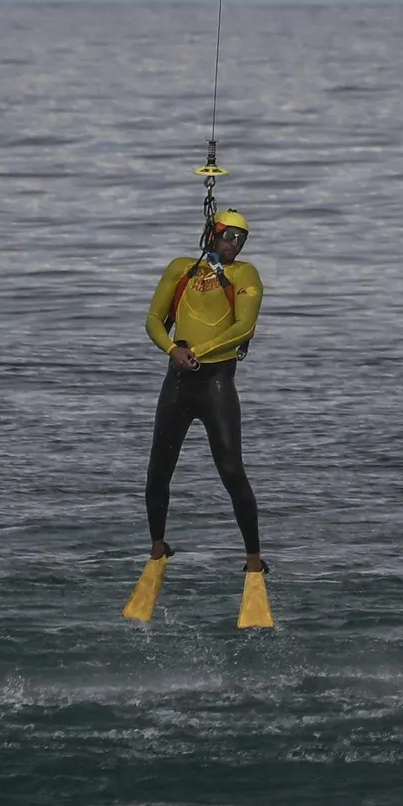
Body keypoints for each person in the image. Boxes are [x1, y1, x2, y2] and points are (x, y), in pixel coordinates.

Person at [144, 204, 264, 580]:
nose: (235, 245)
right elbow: (152, 319)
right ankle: (158, 548)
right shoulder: (182, 268)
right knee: (158, 471)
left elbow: (244, 327)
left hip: (216, 383)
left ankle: (254, 559)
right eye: (230, 236)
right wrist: (172, 350)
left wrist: (197, 352)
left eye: (242, 239)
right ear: (213, 231)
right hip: (179, 380)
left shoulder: (245, 275)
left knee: (231, 470)